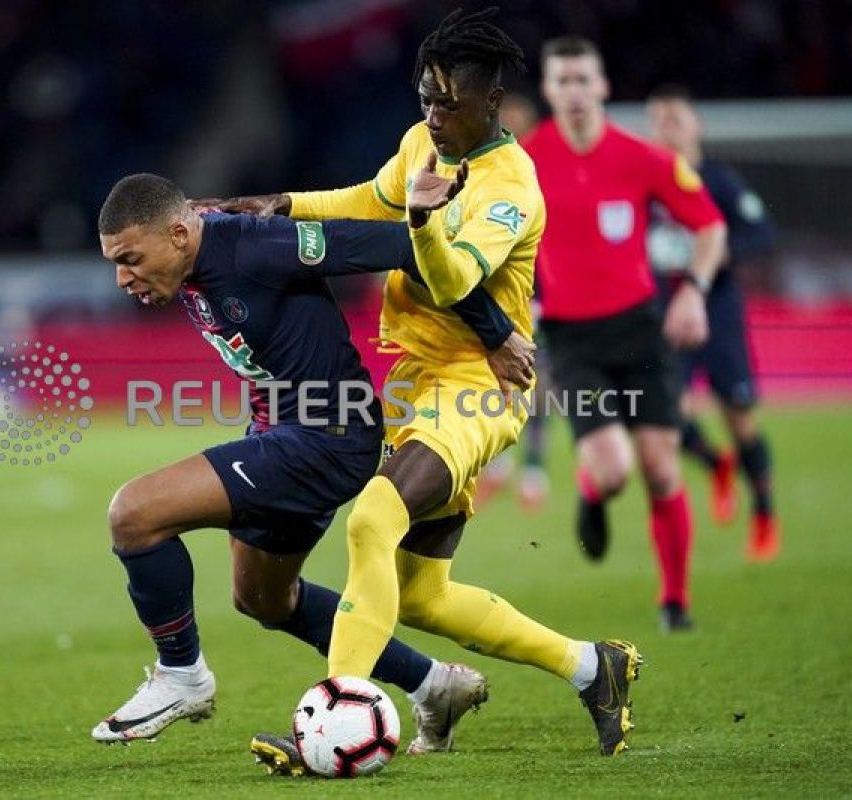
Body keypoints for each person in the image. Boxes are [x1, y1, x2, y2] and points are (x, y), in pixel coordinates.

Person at [211, 9, 641, 765]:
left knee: (371, 521)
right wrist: (286, 204)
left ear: (494, 101)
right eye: (424, 99)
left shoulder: (512, 188)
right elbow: (366, 197)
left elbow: (453, 279)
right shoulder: (423, 145)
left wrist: (423, 221)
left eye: (449, 102)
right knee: (421, 597)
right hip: (419, 380)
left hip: (480, 384)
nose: (433, 116)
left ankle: (330, 716)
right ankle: (590, 666)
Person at [92, 172, 526, 749]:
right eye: (115, 264)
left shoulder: (256, 247)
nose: (124, 279)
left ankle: (182, 676)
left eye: (131, 259)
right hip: (284, 433)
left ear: (177, 234)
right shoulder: (190, 252)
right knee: (264, 599)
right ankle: (433, 685)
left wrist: (496, 334)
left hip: (326, 436)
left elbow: (404, 248)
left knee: (134, 513)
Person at [523, 37, 727, 632]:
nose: (575, 91)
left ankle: (674, 602)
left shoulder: (644, 158)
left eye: (584, 79)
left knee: (662, 471)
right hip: (570, 339)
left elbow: (709, 225)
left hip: (640, 330)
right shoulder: (526, 162)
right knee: (614, 472)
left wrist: (693, 288)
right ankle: (594, 493)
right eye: (563, 81)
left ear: (604, 86)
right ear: (549, 90)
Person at [646, 84, 780, 561]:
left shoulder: (719, 180)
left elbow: (761, 231)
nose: (668, 129)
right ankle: (714, 463)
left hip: (718, 313)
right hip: (665, 316)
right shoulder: (648, 183)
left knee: (739, 415)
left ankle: (764, 510)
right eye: (659, 121)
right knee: (667, 417)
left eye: (675, 119)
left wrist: (720, 259)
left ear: (696, 125)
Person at [474, 91, 553, 512]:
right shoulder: (487, 169)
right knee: (495, 380)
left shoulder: (541, 174)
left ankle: (535, 472)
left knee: (534, 381)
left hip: (537, 293)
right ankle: (500, 466)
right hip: (495, 293)